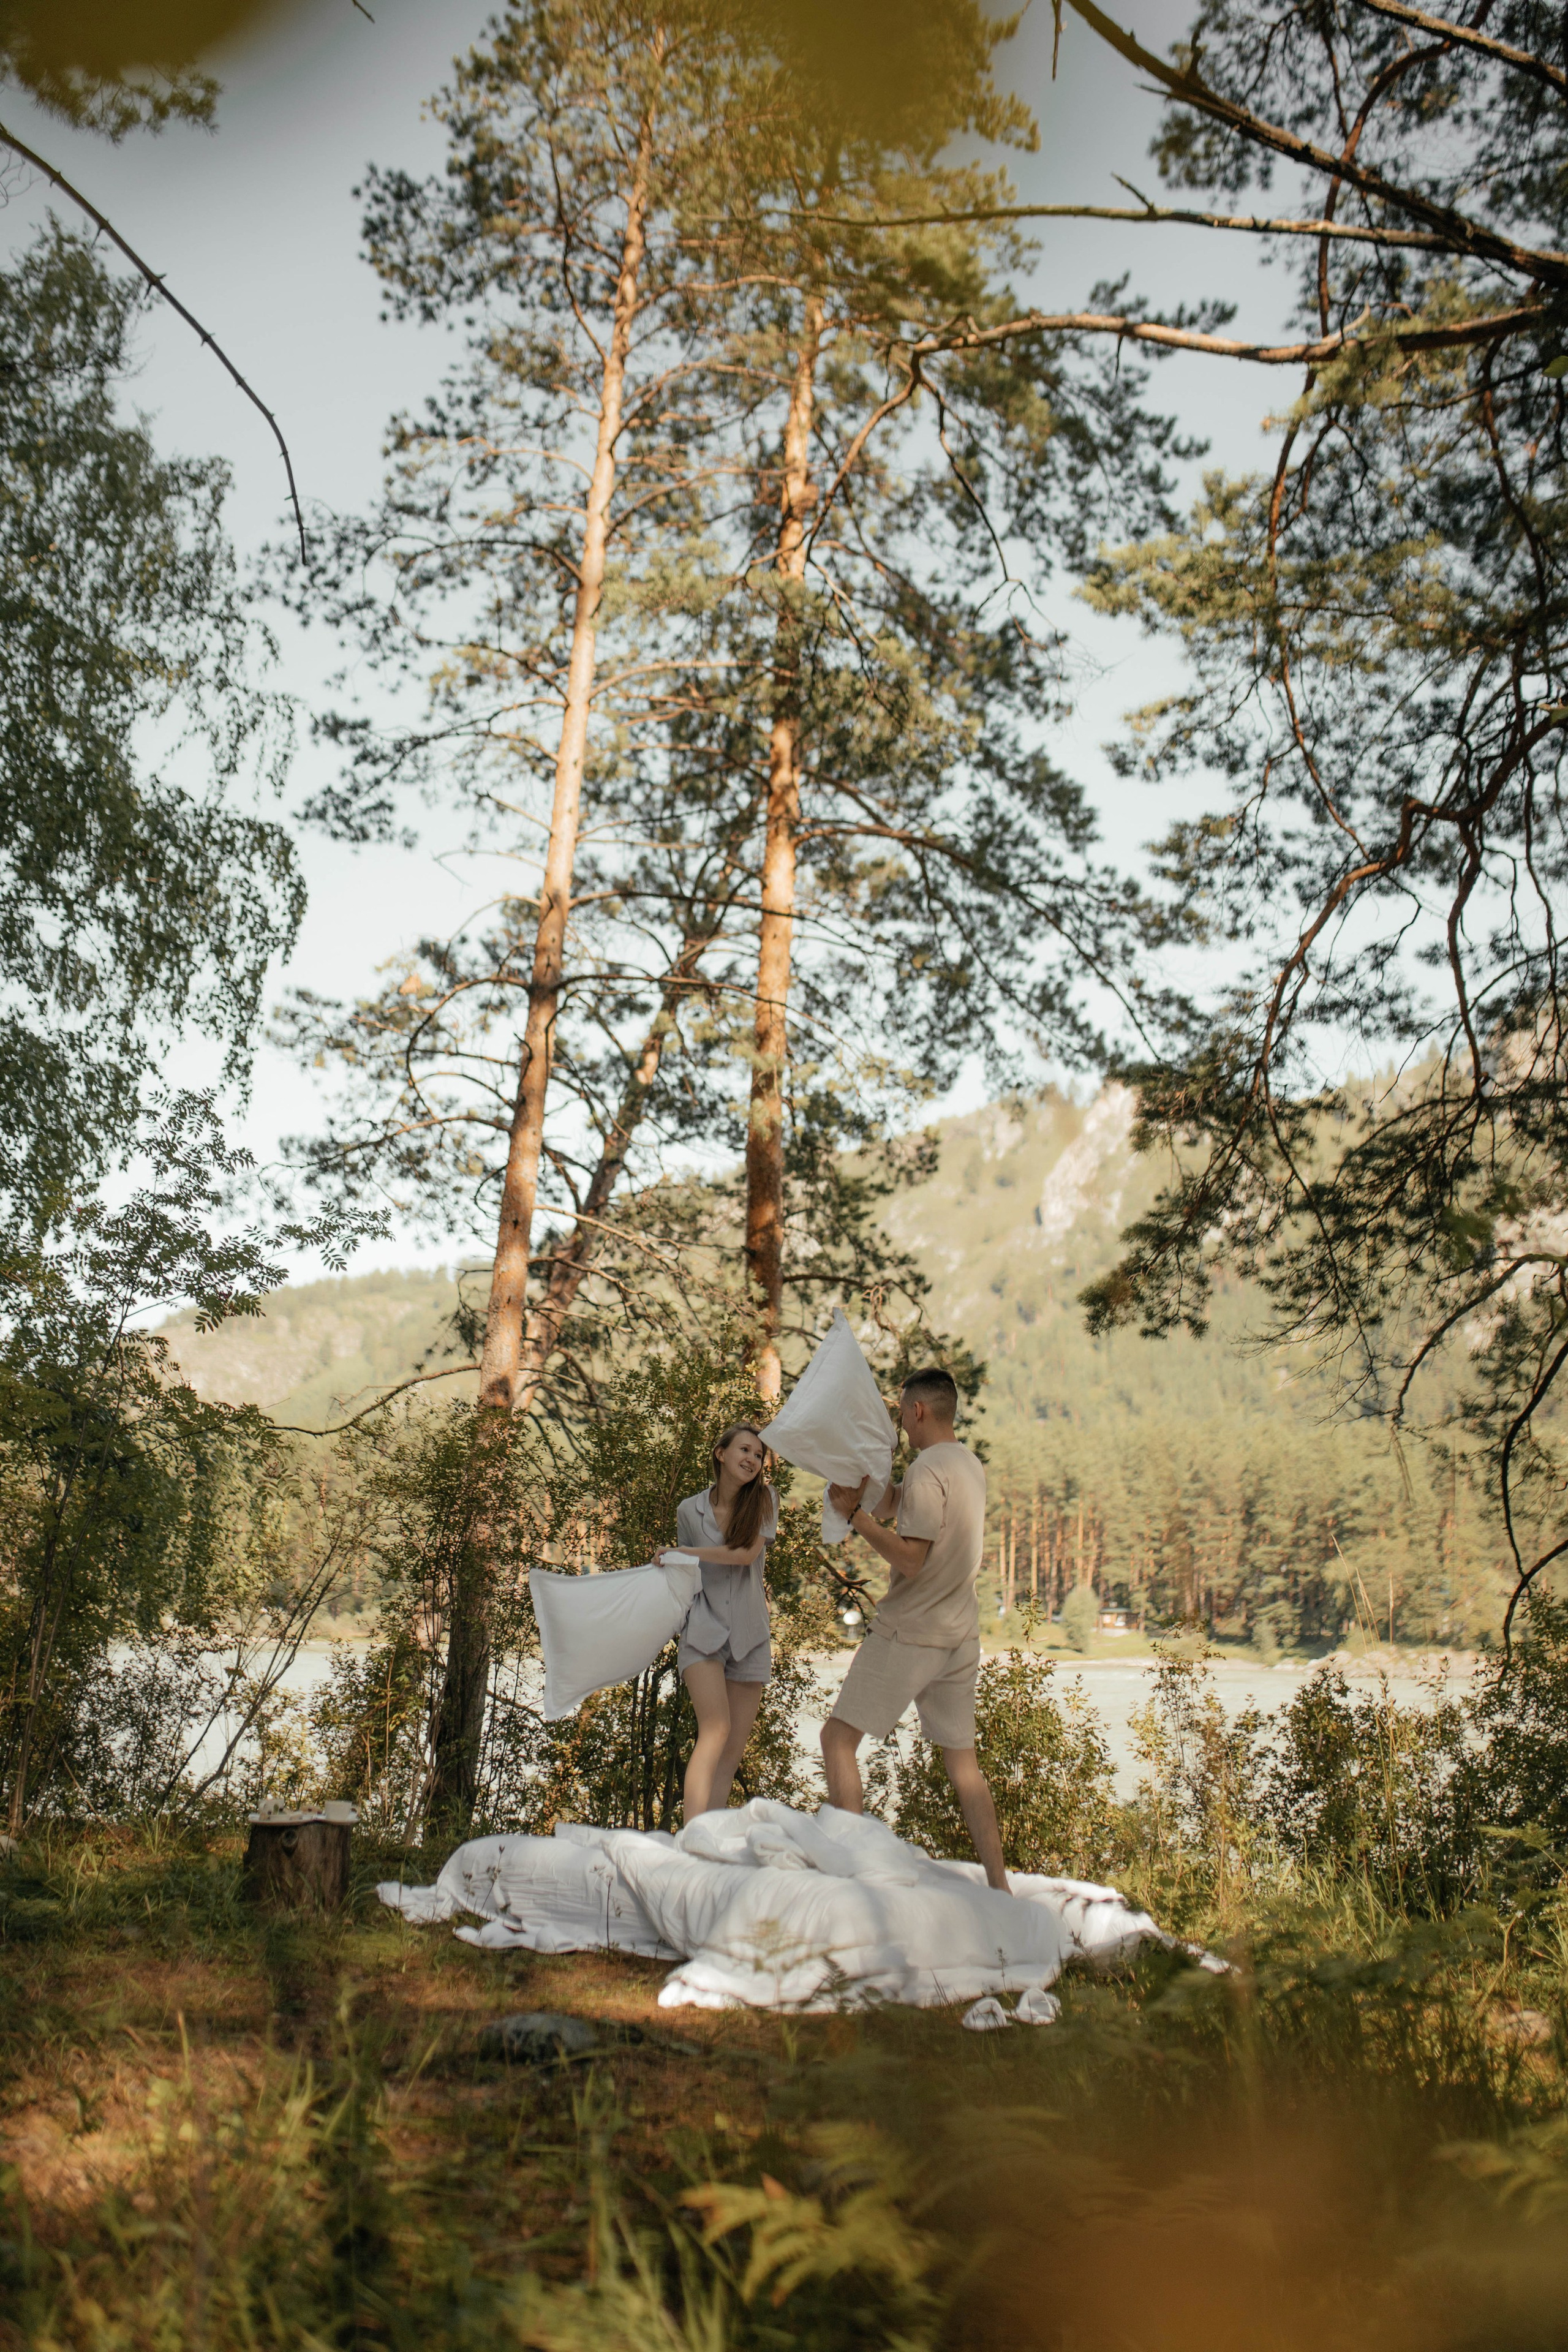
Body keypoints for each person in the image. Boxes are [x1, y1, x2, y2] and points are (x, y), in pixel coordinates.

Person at [823, 1366, 1009, 1891]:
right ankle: (1000, 1886)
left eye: (902, 1412)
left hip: (910, 1633)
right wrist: (867, 1493)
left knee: (837, 1740)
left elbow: (911, 1560)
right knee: (964, 1766)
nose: (901, 1422)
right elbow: (901, 1504)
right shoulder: (968, 1465)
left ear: (919, 1411)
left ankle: (853, 1880)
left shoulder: (930, 1469)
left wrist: (856, 1516)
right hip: (959, 1637)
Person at [662, 1422, 778, 1819]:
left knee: (730, 1754)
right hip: (703, 1630)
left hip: (750, 1636)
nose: (752, 1459)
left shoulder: (765, 1501)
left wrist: (685, 1551)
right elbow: (684, 1577)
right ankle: (692, 1836)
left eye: (759, 1455)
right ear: (721, 1453)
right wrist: (672, 1561)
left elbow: (745, 1556)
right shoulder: (688, 1511)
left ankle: (707, 1842)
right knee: (714, 1730)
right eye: (745, 1450)